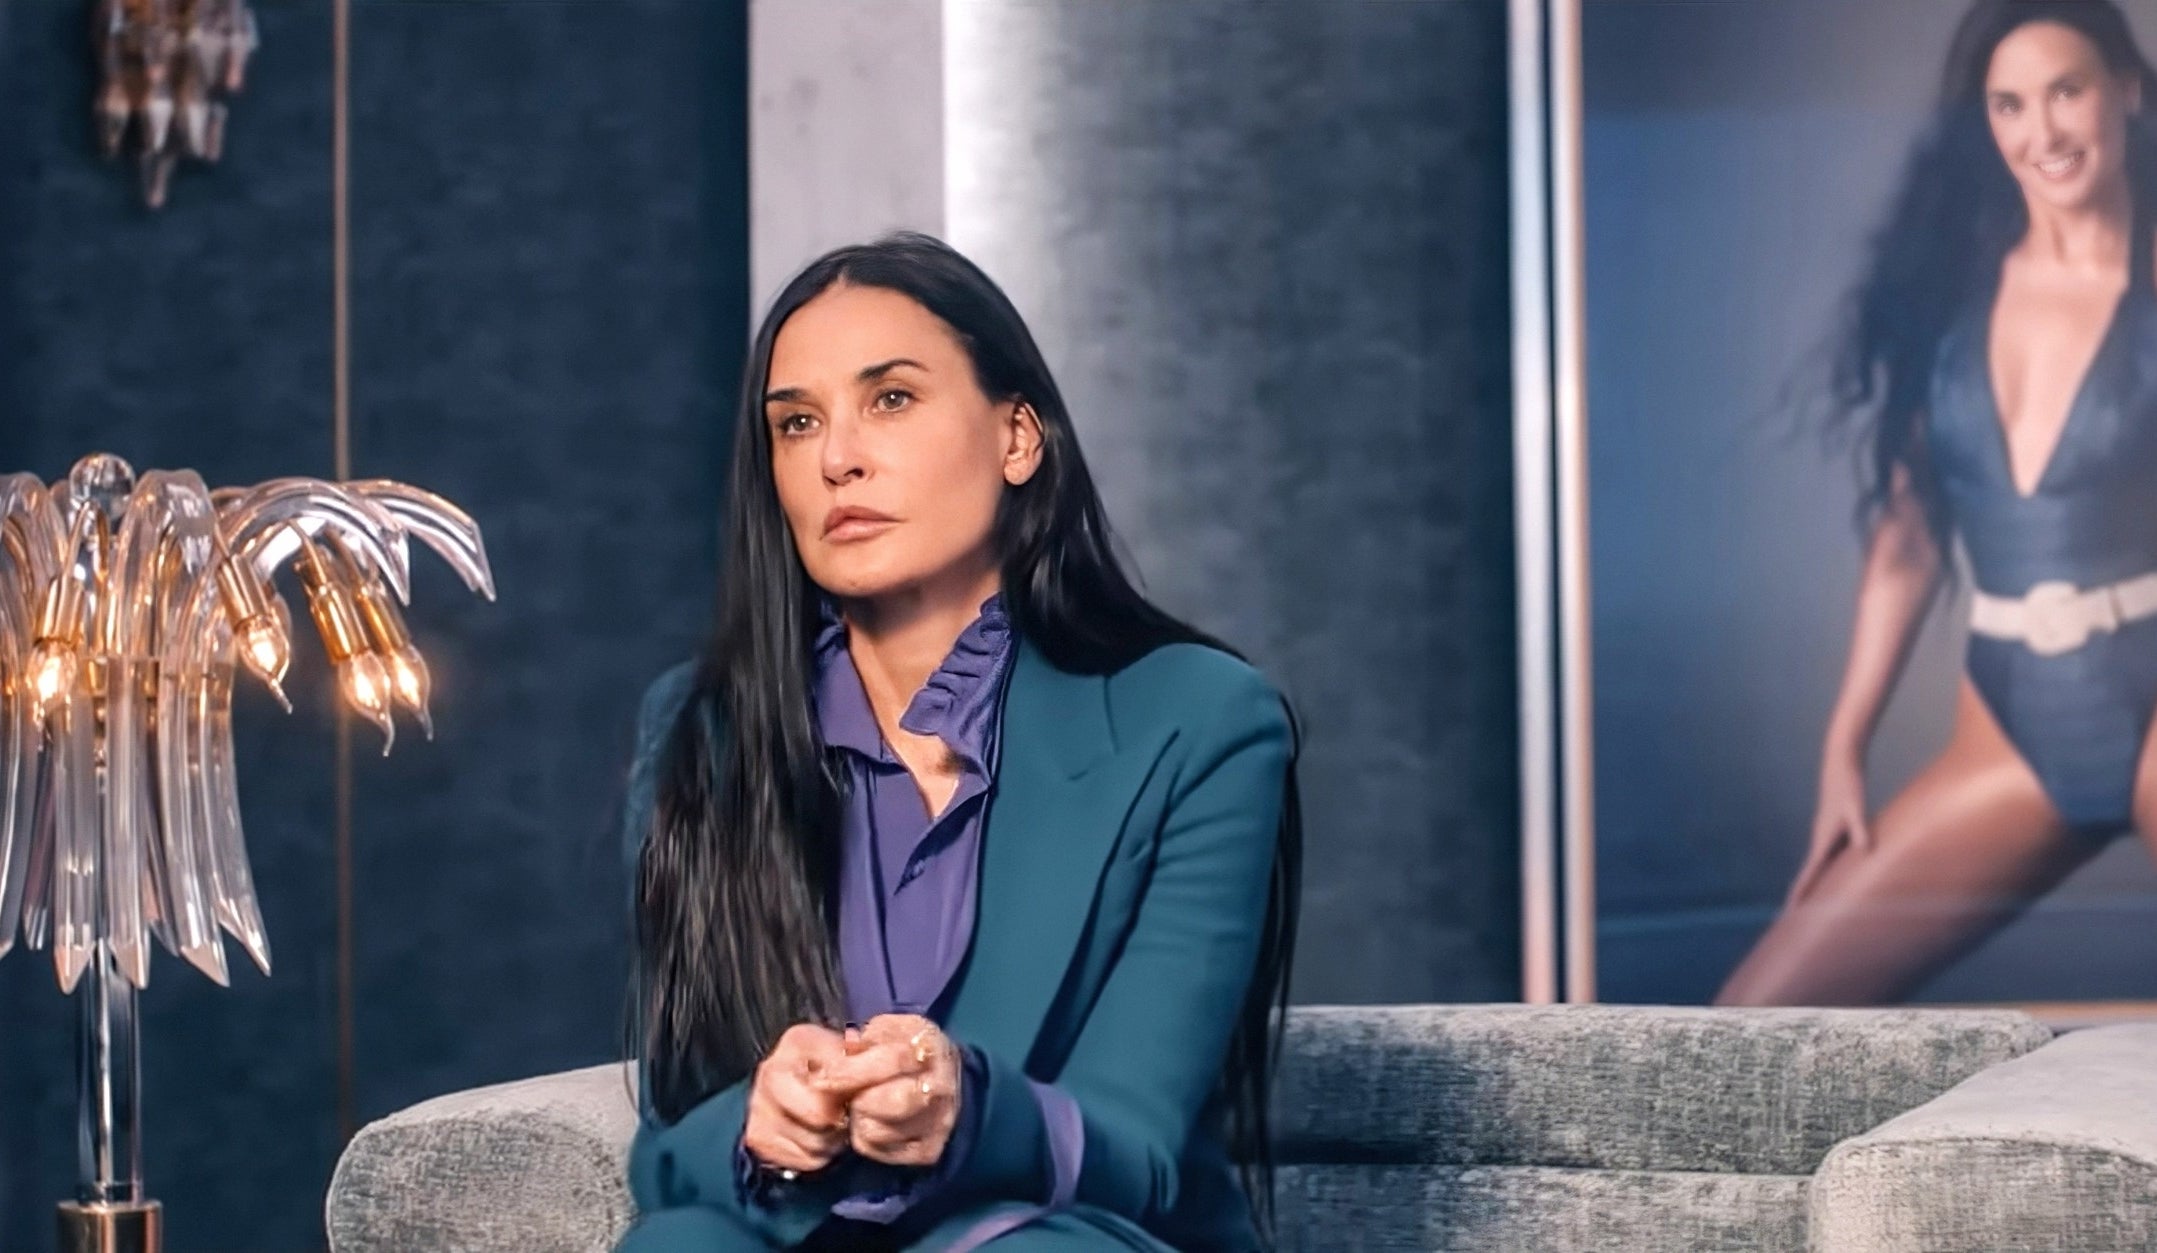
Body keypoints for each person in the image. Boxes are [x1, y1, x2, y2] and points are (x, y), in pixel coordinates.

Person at [616, 233, 1303, 1250]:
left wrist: (969, 1103)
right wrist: (757, 1122)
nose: (836, 455)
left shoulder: (1201, 721)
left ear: (1018, 437)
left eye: (890, 398)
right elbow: (665, 1154)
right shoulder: (702, 729)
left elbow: (1141, 1149)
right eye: (796, 421)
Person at [1720, 0, 2157, 1005]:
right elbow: (1910, 538)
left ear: (2126, 91)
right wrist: (1845, 746)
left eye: (2067, 91)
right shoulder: (1951, 291)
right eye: (2010, 104)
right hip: (2010, 724)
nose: (2041, 132)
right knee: (1753, 1022)